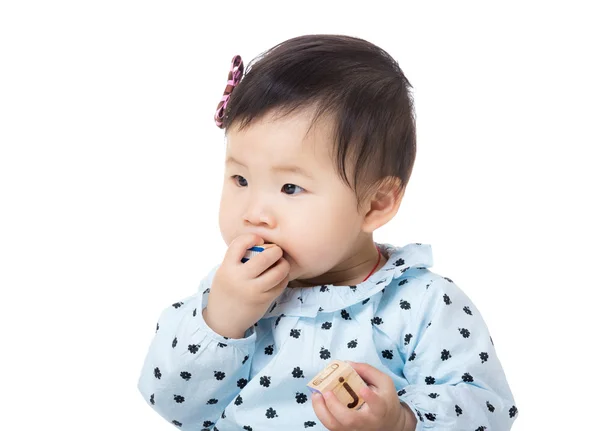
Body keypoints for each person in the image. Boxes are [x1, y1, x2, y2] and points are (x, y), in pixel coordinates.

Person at [137, 34, 518, 431]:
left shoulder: (421, 304)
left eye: (290, 188)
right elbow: (171, 403)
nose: (253, 213)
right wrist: (222, 320)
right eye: (239, 178)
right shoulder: (227, 293)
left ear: (375, 204)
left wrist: (402, 422)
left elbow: (485, 408)